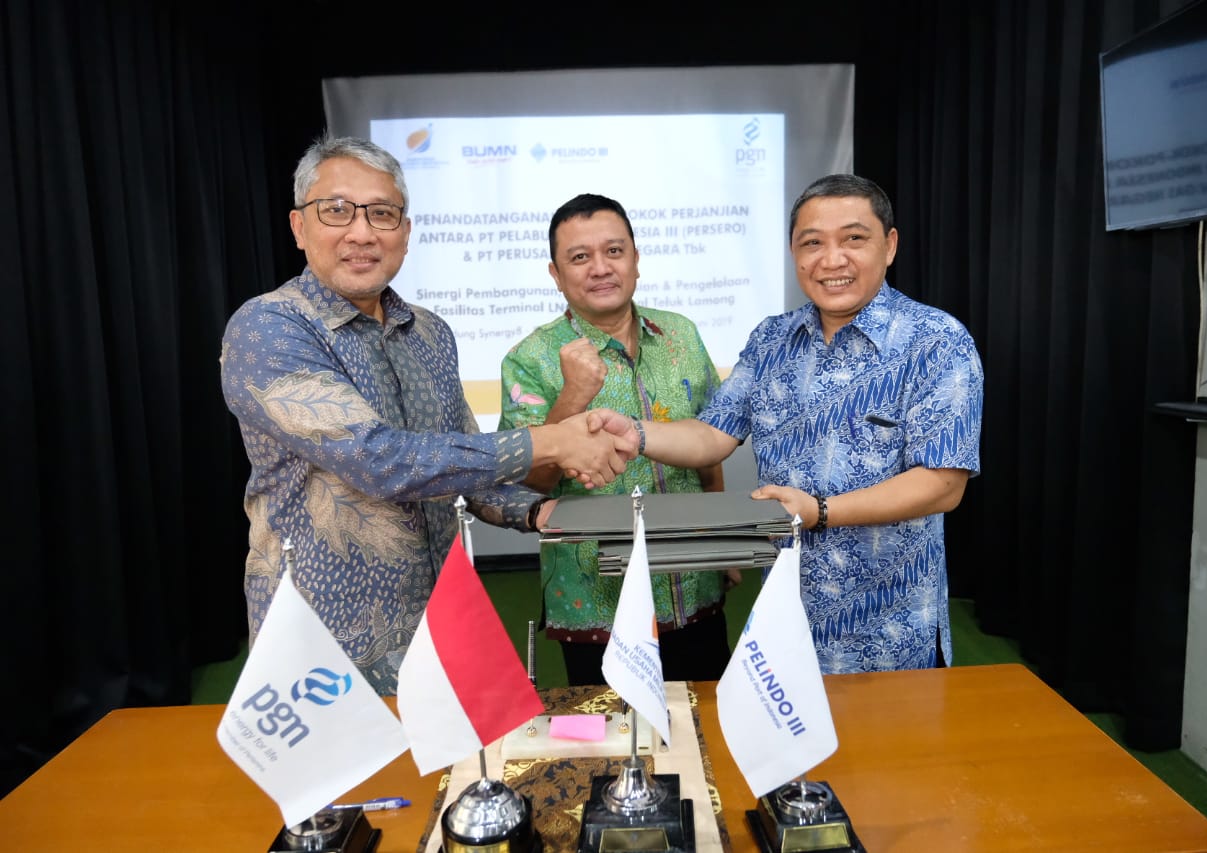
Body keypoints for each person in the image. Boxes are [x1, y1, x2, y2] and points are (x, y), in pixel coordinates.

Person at [220, 136, 637, 694]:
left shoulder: (430, 333)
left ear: (406, 231)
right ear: (299, 226)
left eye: (382, 214)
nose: (362, 233)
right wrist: (554, 442)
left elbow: (464, 465)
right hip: (327, 642)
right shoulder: (269, 328)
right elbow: (379, 460)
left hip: (444, 623)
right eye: (337, 211)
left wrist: (542, 512)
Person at [598, 174, 984, 673]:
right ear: (794, 253)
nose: (832, 259)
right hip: (785, 627)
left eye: (853, 238)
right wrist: (637, 433)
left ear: (889, 246)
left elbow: (942, 484)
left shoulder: (937, 342)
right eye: (812, 243)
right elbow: (712, 434)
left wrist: (819, 511)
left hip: (891, 635)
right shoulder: (771, 339)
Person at [498, 193, 735, 686]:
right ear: (556, 274)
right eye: (579, 257)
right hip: (597, 603)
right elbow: (531, 484)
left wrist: (723, 541)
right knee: (613, 732)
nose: (601, 268)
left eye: (614, 251)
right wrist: (573, 395)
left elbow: (709, 442)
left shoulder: (681, 335)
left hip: (694, 584)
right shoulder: (529, 358)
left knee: (708, 723)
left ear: (635, 259)